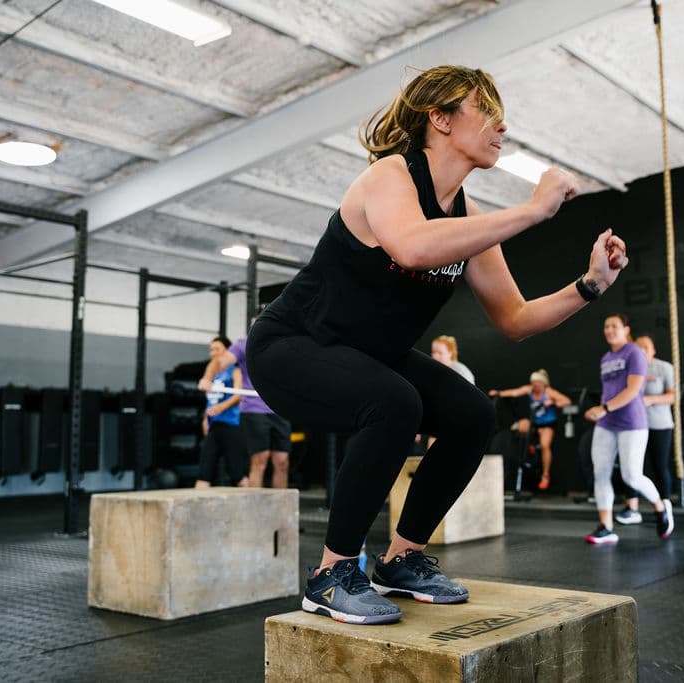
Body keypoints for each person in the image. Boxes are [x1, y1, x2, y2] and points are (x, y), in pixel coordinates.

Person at [245, 65, 629, 625]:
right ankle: (330, 575)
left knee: (473, 412)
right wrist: (532, 209)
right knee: (396, 401)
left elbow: (515, 319)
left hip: (368, 353)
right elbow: (412, 248)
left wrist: (591, 285)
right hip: (292, 346)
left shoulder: (466, 216)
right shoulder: (389, 177)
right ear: (441, 119)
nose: (502, 125)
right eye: (487, 111)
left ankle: (403, 558)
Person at [584, 314, 674, 544]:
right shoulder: (606, 358)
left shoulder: (634, 352)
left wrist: (604, 408)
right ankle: (606, 527)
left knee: (631, 476)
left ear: (626, 329)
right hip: (606, 423)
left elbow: (634, 390)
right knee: (601, 473)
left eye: (614, 326)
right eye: (606, 326)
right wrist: (599, 411)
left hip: (632, 423)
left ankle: (659, 506)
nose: (609, 330)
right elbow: (610, 390)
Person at [198, 310, 292, 489]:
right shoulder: (243, 345)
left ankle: (282, 514)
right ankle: (256, 513)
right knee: (260, 460)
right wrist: (207, 378)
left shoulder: (283, 345)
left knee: (282, 461)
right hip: (254, 409)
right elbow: (219, 362)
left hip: (279, 408)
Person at [618, 334, 674, 523]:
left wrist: (650, 400)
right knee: (631, 467)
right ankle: (632, 508)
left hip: (659, 425)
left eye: (646, 347)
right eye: (638, 347)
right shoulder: (629, 368)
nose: (641, 350)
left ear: (653, 350)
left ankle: (664, 506)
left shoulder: (663, 368)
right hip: (634, 425)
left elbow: (673, 397)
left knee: (660, 465)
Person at [488, 370, 572, 491]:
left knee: (544, 444)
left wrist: (553, 403)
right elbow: (515, 392)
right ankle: (525, 455)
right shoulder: (529, 389)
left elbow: (567, 401)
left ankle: (545, 475)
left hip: (548, 424)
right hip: (534, 423)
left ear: (543, 384)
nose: (535, 386)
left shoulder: (549, 392)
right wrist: (499, 393)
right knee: (518, 427)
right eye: (533, 383)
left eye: (538, 383)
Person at [195, 336, 248, 489]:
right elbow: (211, 401)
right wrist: (206, 418)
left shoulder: (235, 371)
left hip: (232, 426)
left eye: (217, 349)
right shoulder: (213, 374)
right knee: (204, 473)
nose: (213, 352)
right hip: (215, 426)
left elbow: (239, 394)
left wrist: (221, 408)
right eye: (211, 349)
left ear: (227, 351)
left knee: (238, 475)